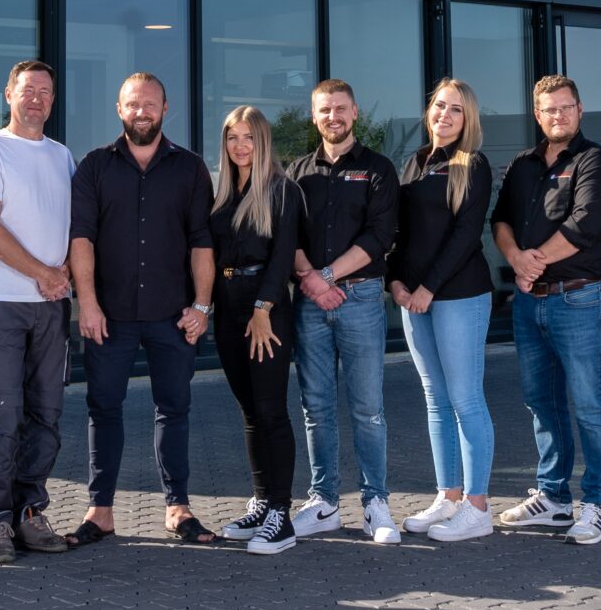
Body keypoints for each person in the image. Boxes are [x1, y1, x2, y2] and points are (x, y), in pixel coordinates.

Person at [68, 72, 219, 546]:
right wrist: (87, 305)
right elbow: (81, 240)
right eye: (133, 104)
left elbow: (202, 242)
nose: (141, 112)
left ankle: (177, 508)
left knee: (174, 409)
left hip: (171, 316)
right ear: (119, 109)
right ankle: (101, 511)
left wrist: (202, 306)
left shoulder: (190, 168)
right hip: (108, 317)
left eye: (150, 104)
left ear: (165, 108)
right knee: (103, 409)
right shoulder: (94, 166)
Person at [491, 74, 601, 546]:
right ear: (537, 114)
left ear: (580, 110)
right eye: (549, 109)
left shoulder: (595, 161)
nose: (558, 116)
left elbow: (584, 223)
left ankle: (599, 504)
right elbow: (500, 219)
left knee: (590, 403)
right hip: (531, 302)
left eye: (566, 107)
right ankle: (553, 498)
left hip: (580, 297)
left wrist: (532, 261)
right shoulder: (523, 165)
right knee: (541, 402)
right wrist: (515, 260)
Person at [0, 60, 76, 562]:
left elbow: (75, 226)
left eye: (45, 92)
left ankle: (30, 510)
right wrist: (42, 271)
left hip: (52, 305)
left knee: (47, 414)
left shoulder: (62, 155)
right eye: (27, 89)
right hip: (2, 302)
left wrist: (65, 272)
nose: (36, 99)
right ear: (9, 92)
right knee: (4, 413)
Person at [285, 79, 402, 544]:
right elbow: (287, 237)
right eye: (323, 110)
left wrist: (325, 277)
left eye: (339, 108)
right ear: (314, 117)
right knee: (316, 408)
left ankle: (375, 503)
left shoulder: (378, 169)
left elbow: (380, 237)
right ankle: (325, 502)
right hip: (310, 302)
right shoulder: (298, 171)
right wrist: (311, 281)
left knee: (368, 409)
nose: (332, 117)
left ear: (355, 113)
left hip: (362, 299)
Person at [390, 79, 499, 543]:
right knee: (436, 400)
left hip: (458, 296)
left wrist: (428, 288)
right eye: (440, 106)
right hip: (412, 298)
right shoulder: (413, 162)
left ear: (467, 118)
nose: (445, 115)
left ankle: (477, 507)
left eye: (456, 110)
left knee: (465, 399)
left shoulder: (472, 165)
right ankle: (449, 496)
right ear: (428, 110)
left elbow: (465, 237)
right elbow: (397, 231)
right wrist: (394, 280)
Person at [208, 106, 308, 555]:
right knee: (249, 412)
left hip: (265, 312)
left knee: (271, 411)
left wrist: (264, 307)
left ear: (263, 141)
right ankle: (262, 501)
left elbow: (283, 254)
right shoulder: (224, 193)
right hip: (227, 311)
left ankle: (281, 516)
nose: (240, 145)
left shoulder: (282, 191)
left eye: (248, 137)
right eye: (232, 138)